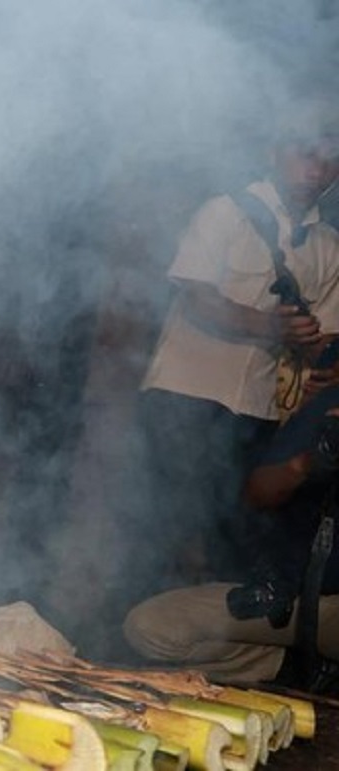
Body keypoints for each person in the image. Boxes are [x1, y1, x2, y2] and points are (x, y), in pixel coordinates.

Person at [135, 100, 339, 595]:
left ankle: (196, 661)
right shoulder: (224, 212)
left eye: (328, 160)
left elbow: (325, 341)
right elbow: (200, 300)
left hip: (258, 415)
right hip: (185, 398)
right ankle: (129, 644)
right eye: (303, 155)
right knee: (167, 533)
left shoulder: (329, 246)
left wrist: (326, 369)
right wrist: (273, 327)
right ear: (273, 154)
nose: (315, 170)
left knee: (226, 545)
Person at [124, 383, 339, 688]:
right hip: (290, 600)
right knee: (151, 627)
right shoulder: (331, 401)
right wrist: (308, 462)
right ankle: (289, 666)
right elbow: (258, 493)